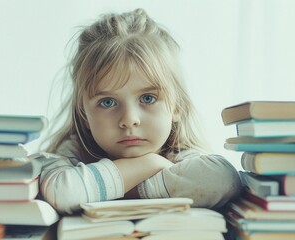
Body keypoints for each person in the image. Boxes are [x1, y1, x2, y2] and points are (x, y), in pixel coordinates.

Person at [37, 8, 241, 214]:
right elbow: (61, 193)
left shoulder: (178, 155)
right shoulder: (72, 152)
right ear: (84, 116)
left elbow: (224, 180)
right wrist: (149, 163)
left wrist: (114, 188)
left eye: (148, 98)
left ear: (176, 106)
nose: (129, 120)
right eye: (107, 102)